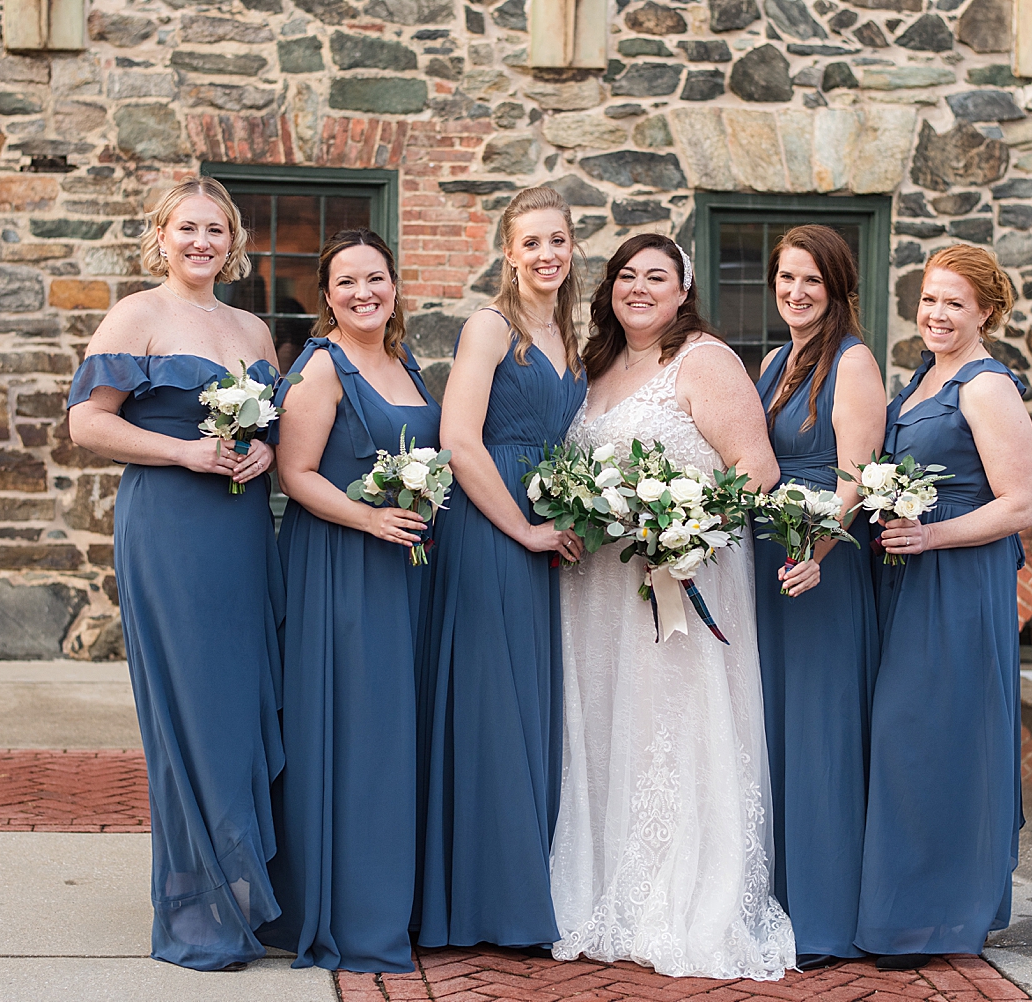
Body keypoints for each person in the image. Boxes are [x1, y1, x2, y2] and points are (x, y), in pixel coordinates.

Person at [550, 233, 795, 980]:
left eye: (656, 277)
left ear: (683, 291)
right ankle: (602, 887)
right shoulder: (594, 365)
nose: (639, 288)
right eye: (626, 275)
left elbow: (757, 470)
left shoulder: (706, 361)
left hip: (680, 583)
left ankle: (685, 897)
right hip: (595, 586)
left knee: (670, 724)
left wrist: (684, 533)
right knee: (603, 726)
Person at [67, 176, 284, 971]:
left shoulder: (254, 328)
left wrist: (263, 451)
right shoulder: (137, 315)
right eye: (187, 227)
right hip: (169, 524)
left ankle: (248, 888)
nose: (202, 242)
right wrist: (185, 451)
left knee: (246, 699)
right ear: (160, 236)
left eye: (216, 229)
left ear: (234, 242)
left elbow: (274, 424)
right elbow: (88, 423)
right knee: (190, 707)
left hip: (241, 526)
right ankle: (198, 909)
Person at [258, 230, 440, 972]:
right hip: (341, 566)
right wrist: (369, 518)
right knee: (358, 735)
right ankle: (348, 911)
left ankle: (395, 899)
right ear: (326, 297)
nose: (364, 293)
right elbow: (292, 473)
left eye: (376, 279)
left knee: (399, 732)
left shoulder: (406, 361)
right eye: (346, 283)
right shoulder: (320, 368)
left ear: (395, 285)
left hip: (409, 571)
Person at [856, 244, 1032, 968]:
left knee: (930, 736)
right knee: (908, 737)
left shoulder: (987, 386)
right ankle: (910, 905)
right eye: (930, 299)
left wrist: (928, 536)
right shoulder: (924, 376)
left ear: (986, 312)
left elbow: (1020, 504)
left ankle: (933, 916)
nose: (937, 313)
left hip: (957, 583)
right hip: (910, 576)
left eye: (954, 303)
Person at [418, 186, 588, 949]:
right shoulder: (491, 327)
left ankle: (523, 886)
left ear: (571, 246)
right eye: (532, 243)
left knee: (533, 703)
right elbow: (458, 438)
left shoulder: (573, 337)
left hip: (549, 531)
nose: (546, 254)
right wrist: (522, 528)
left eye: (558, 240)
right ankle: (486, 903)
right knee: (494, 704)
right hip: (493, 529)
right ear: (508, 253)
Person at [753, 226, 886, 968]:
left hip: (821, 569)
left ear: (836, 288)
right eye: (786, 279)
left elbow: (856, 480)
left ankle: (826, 917)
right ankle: (777, 901)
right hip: (770, 562)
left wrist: (817, 550)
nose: (796, 293)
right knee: (775, 730)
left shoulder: (853, 361)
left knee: (822, 735)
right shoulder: (777, 360)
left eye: (811, 281)